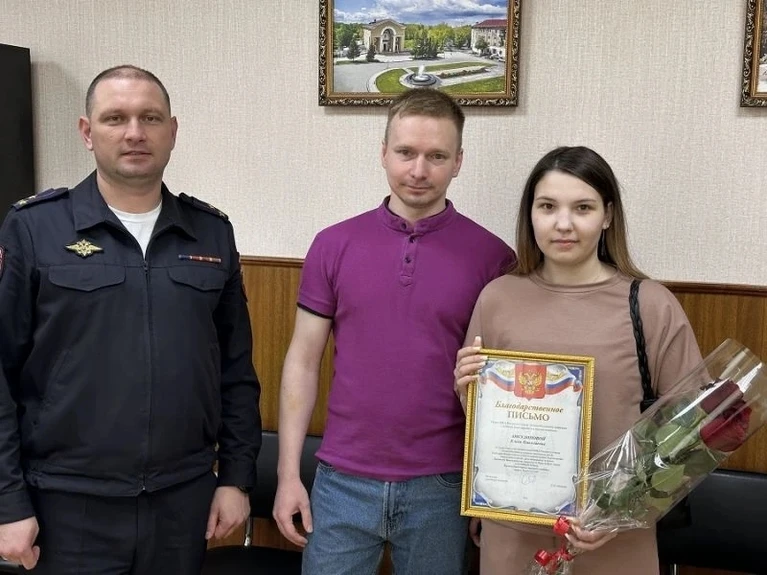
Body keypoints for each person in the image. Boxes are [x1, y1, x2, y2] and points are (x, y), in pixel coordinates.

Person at [0, 65, 261, 574]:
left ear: (172, 131)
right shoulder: (34, 229)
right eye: (115, 118)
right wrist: (7, 501)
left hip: (181, 501)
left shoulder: (211, 234)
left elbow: (235, 370)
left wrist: (236, 476)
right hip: (67, 502)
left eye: (150, 118)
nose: (135, 132)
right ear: (87, 132)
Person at [273, 88, 516, 574]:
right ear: (383, 153)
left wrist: (490, 492)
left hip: (442, 485)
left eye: (437, 156)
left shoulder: (494, 258)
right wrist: (287, 475)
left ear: (458, 161)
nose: (419, 170)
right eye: (406, 152)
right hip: (342, 479)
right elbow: (302, 361)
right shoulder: (333, 244)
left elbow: (499, 389)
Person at [454, 146, 703, 575]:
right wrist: (468, 388)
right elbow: (484, 422)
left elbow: (693, 430)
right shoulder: (497, 298)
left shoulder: (649, 304)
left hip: (616, 540)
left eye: (583, 208)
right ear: (530, 215)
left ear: (608, 216)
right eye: (548, 207)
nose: (563, 223)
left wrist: (622, 512)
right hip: (513, 534)